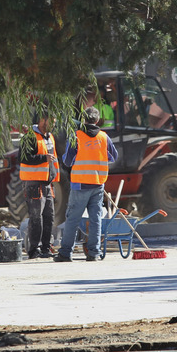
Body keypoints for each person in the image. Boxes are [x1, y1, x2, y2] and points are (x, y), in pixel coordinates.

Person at [54, 106, 118, 262]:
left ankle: (65, 253)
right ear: (97, 120)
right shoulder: (104, 137)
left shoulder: (76, 136)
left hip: (80, 184)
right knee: (95, 220)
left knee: (72, 219)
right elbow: (113, 157)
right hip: (98, 184)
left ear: (84, 120)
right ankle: (94, 253)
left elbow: (67, 161)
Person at [18, 110, 59, 259]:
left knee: (49, 217)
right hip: (34, 183)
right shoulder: (30, 137)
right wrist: (43, 158)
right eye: (51, 122)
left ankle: (46, 248)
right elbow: (23, 158)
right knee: (36, 218)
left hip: (47, 183)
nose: (53, 125)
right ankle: (34, 249)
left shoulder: (49, 137)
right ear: (43, 120)